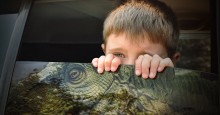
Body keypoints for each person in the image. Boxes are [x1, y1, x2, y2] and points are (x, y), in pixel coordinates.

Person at [92, 0, 180, 79]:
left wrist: (168, 80)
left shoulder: (175, 91)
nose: (130, 67)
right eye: (118, 54)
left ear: (173, 60)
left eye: (146, 57)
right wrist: (96, 77)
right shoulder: (95, 80)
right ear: (104, 51)